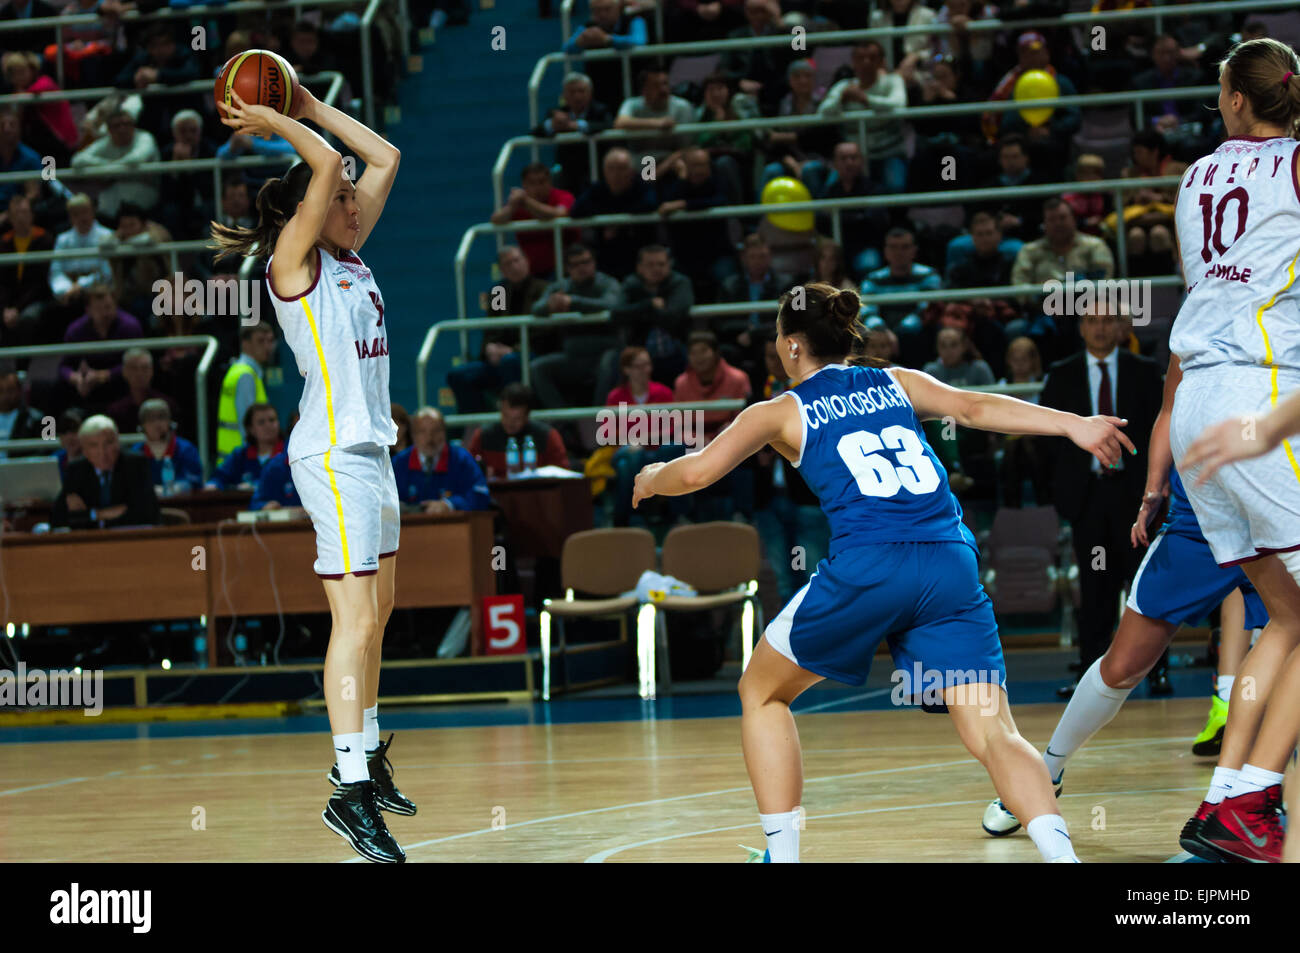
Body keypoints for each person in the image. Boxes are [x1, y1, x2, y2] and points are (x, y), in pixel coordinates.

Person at [631, 281, 1134, 863]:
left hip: (871, 564)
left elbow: (696, 473)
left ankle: (782, 856)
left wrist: (653, 477)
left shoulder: (779, 411)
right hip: (949, 560)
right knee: (995, 732)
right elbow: (974, 408)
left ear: (792, 346)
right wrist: (1072, 423)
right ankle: (1061, 856)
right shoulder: (897, 381)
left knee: (762, 691)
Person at [210, 79, 411, 862]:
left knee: (380, 612)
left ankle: (360, 751)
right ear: (311, 209)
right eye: (343, 197)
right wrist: (273, 119)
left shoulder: (352, 256)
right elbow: (328, 166)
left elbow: (383, 155)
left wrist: (310, 103)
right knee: (353, 620)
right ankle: (349, 791)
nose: (355, 200)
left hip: (371, 450)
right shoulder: (293, 264)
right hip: (329, 456)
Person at [980, 355, 1268, 841]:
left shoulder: (1286, 305)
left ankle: (1242, 797)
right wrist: (1153, 488)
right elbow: (1171, 407)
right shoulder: (1197, 313)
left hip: (1275, 504)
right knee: (1124, 664)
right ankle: (1047, 770)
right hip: (1204, 512)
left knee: (1280, 651)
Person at [1164, 38, 1300, 864]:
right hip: (1262, 401)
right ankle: (1253, 797)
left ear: (1238, 103)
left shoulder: (1192, 179)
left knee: (1284, 616)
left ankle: (1224, 800)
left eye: (1221, 90)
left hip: (1195, 406)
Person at [1038, 304, 1163, 695]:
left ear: (1122, 325)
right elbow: (1047, 439)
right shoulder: (1062, 374)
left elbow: (1160, 431)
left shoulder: (1144, 371)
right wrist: (1061, 495)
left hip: (1136, 499)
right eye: (1092, 320)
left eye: (1108, 320)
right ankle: (1090, 678)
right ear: (1081, 327)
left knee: (1144, 585)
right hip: (1088, 499)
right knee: (1095, 588)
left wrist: (1156, 491)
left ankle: (1156, 672)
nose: (1100, 327)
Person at [52, 414, 160, 529]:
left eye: (108, 443)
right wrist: (99, 514)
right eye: (93, 445)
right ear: (84, 450)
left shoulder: (136, 464)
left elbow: (146, 513)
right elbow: (58, 519)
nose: (102, 452)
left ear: (118, 442)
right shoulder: (76, 470)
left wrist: (88, 515)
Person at [392, 407, 491, 512]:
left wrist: (450, 504)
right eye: (422, 432)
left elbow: (481, 495)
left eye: (436, 431)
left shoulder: (461, 459)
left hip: (454, 526)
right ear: (413, 435)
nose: (429, 438)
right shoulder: (399, 463)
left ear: (444, 432)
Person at [465, 383, 568, 479]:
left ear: (527, 415)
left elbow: (562, 474)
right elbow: (467, 471)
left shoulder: (547, 436)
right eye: (505, 416)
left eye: (517, 419)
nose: (510, 423)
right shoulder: (483, 436)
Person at [215, 322, 276, 458]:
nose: (267, 347)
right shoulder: (246, 376)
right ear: (245, 344)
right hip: (242, 461)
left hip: (231, 457)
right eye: (260, 341)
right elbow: (249, 428)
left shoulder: (237, 370)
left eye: (270, 341)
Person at [130, 398, 203, 495]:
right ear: (142, 426)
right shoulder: (136, 453)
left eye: (161, 417)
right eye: (150, 419)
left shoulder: (186, 450)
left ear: (170, 421)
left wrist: (170, 490)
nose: (157, 424)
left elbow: (194, 482)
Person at [206, 402, 284, 490]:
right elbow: (218, 477)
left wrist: (254, 485)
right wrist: (214, 484)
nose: (268, 425)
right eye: (261, 422)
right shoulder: (240, 455)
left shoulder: (289, 453)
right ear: (251, 429)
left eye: (272, 420)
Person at [105, 347, 180, 437]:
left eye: (144, 368)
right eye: (133, 368)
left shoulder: (167, 405)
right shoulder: (115, 411)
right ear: (124, 372)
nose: (139, 373)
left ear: (152, 371)